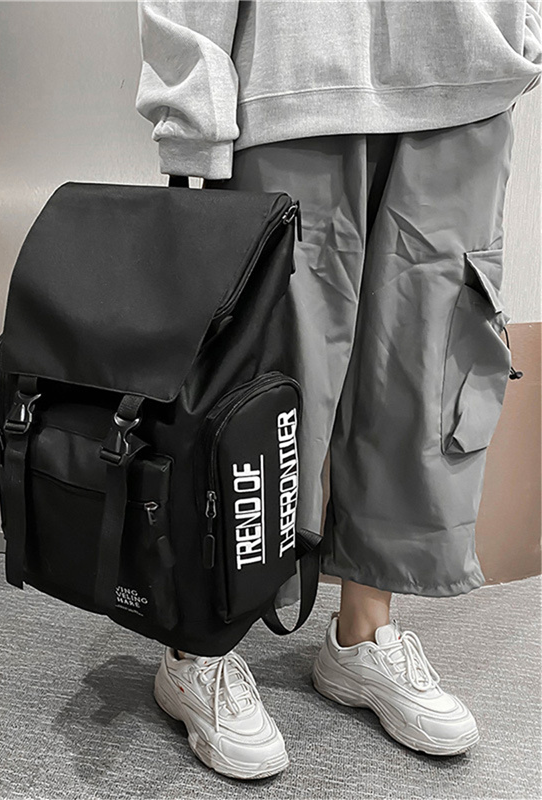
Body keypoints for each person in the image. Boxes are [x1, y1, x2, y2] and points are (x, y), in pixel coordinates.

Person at [134, 0, 542, 781]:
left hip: (466, 73)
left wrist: (518, 29)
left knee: (425, 374)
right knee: (255, 386)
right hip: (292, 77)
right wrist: (191, 101)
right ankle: (198, 649)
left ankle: (363, 635)